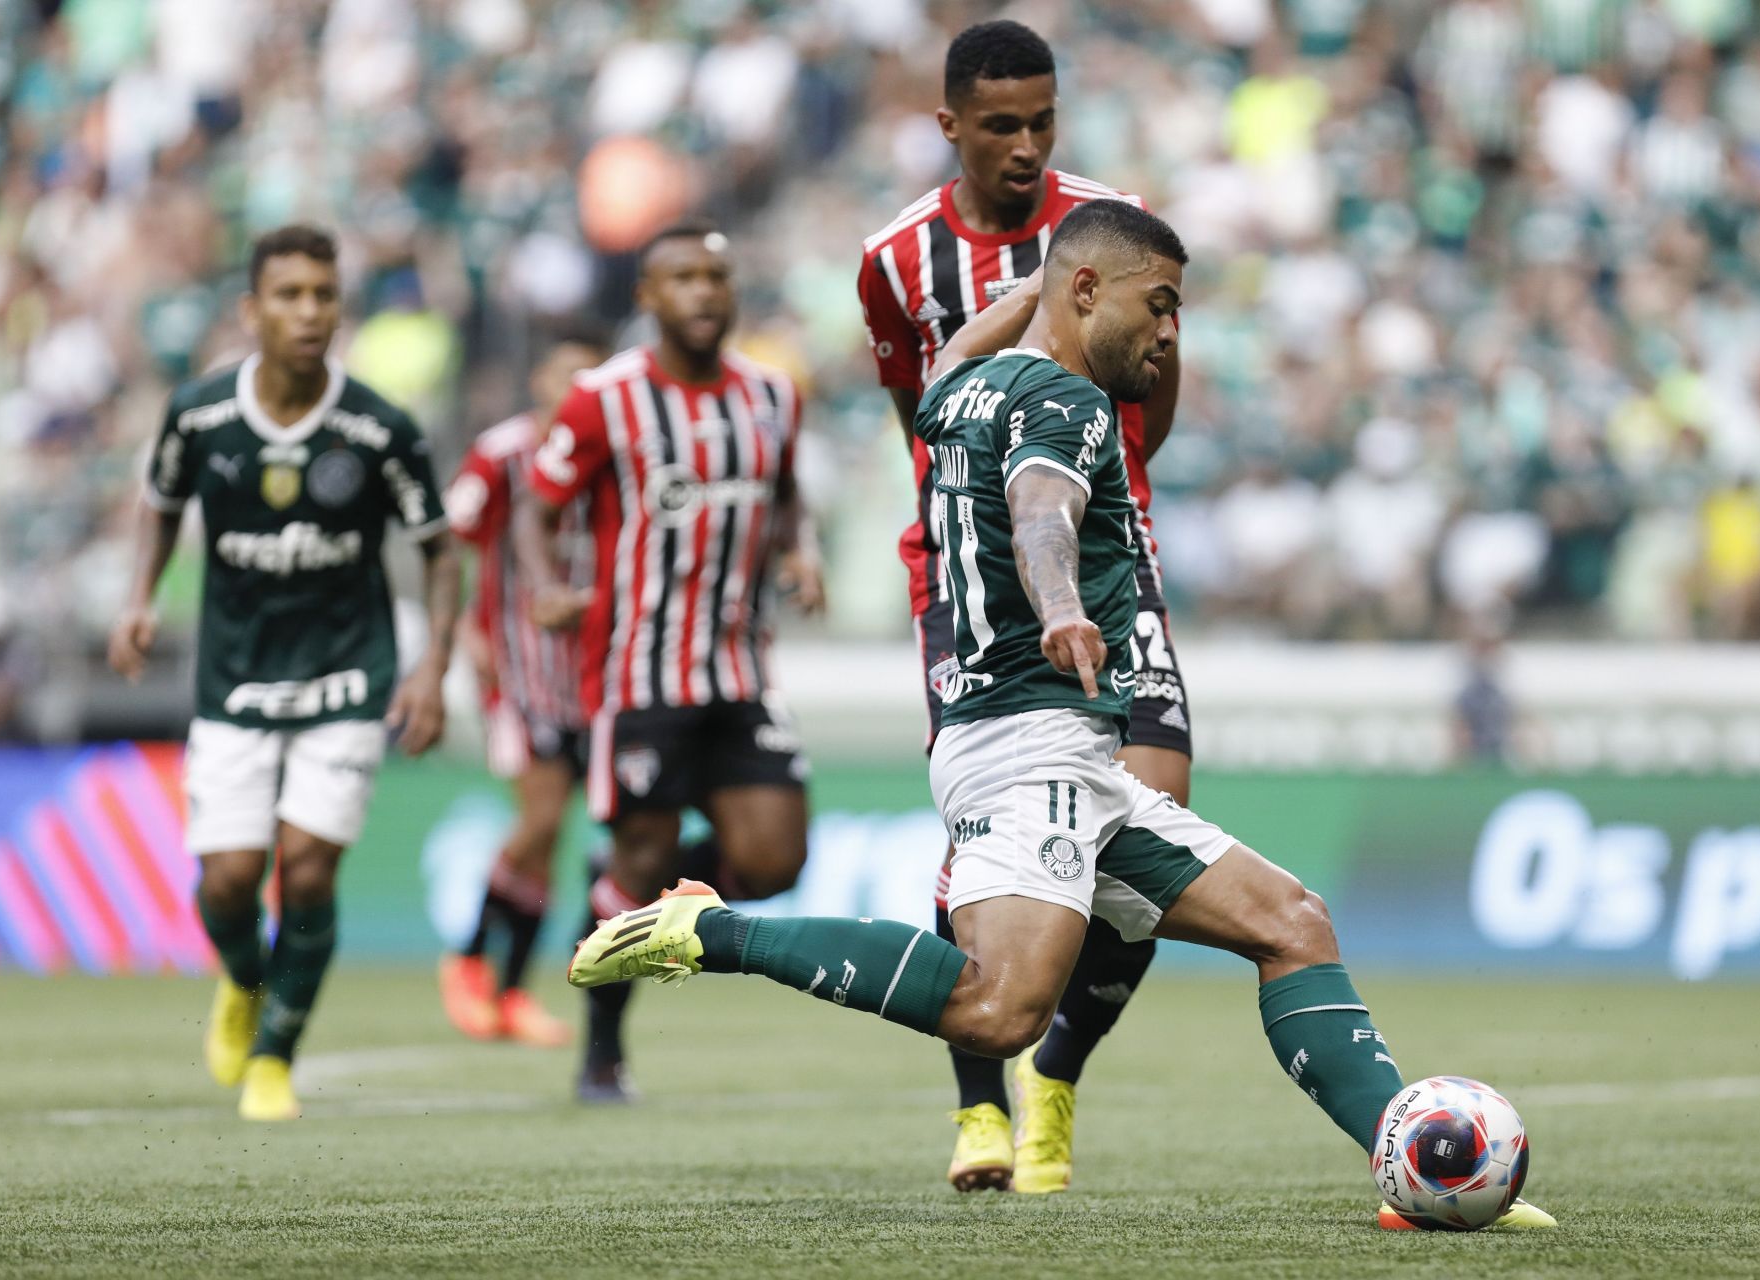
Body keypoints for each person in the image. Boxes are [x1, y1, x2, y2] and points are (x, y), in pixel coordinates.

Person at [572, 200, 1553, 1230]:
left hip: (1056, 749)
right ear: (1088, 293)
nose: (1171, 332)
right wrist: (1064, 604)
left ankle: (1409, 1165)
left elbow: (951, 348)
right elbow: (1045, 509)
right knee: (1000, 1009)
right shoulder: (1068, 403)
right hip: (1026, 741)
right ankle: (710, 928)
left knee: (1291, 923)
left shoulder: (959, 387)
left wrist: (1032, 290)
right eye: (1159, 305)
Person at [855, 18, 1192, 1195]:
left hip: (1116, 556)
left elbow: (1152, 413)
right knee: (987, 829)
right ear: (950, 124)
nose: (1027, 145)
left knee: (1154, 834)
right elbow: (921, 413)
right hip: (968, 579)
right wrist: (981, 542)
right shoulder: (896, 259)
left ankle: (1061, 1062)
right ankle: (978, 1103)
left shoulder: (1108, 223)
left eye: (1043, 121)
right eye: (1001, 125)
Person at [108, 224, 458, 1122]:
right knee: (229, 880)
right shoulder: (200, 414)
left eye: (324, 296)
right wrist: (139, 597)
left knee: (305, 873)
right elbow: (158, 504)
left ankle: (275, 1057)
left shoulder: (379, 427)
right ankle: (243, 980)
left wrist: (431, 669)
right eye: (290, 295)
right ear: (251, 309)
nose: (309, 312)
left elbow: (438, 548)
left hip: (347, 677)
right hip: (235, 681)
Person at [516, 223, 825, 1103]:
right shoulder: (602, 399)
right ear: (648, 297)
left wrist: (799, 552)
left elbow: (789, 490)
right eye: (682, 278)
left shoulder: (772, 394)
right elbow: (538, 508)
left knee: (773, 862)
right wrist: (545, 585)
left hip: (739, 670)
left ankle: (627, 891)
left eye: (716, 278)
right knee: (642, 857)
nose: (702, 293)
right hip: (637, 671)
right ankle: (603, 1051)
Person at [437, 327, 609, 1048]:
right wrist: (466, 636)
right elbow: (449, 540)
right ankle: (470, 961)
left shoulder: (614, 453)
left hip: (593, 678)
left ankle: (510, 994)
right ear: (538, 381)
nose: (575, 391)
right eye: (563, 375)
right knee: (537, 823)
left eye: (588, 378)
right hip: (518, 672)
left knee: (552, 840)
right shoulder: (503, 453)